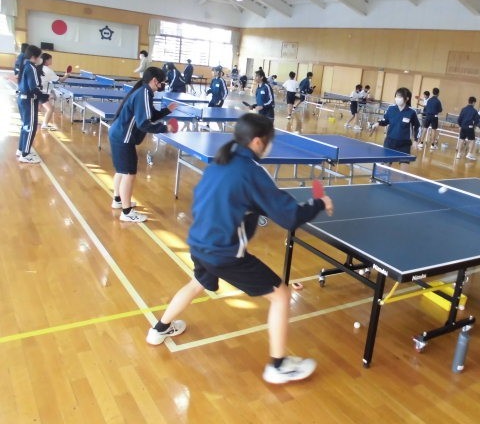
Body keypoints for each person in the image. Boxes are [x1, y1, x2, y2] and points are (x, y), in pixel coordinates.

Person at [145, 113, 334, 384]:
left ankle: (159, 329)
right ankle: (278, 366)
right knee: (281, 295)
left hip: (198, 243)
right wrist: (318, 204)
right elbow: (289, 217)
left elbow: (215, 199)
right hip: (225, 254)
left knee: (197, 283)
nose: (270, 145)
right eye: (269, 140)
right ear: (257, 142)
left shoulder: (219, 161)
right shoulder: (251, 172)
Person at [108, 67, 179, 223]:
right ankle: (127, 212)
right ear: (155, 81)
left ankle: (118, 200)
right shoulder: (144, 93)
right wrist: (165, 128)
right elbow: (144, 124)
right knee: (129, 173)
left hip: (117, 134)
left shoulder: (143, 92)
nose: (163, 85)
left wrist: (166, 111)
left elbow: (150, 114)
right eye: (163, 82)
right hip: (123, 137)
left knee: (121, 171)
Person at [370, 87, 420, 168]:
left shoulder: (411, 112)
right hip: (390, 142)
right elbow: (385, 120)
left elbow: (417, 126)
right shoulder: (391, 109)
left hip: (404, 144)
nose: (397, 99)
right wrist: (378, 123)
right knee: (386, 166)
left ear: (407, 98)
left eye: (400, 97)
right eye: (396, 96)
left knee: (404, 168)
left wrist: (416, 140)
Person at [16, 45, 48, 164]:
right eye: (39, 56)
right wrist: (44, 97)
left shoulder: (24, 65)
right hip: (29, 100)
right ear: (35, 57)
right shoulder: (31, 68)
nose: (40, 59)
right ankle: (25, 155)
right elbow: (33, 88)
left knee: (25, 125)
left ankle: (21, 149)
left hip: (21, 98)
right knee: (30, 127)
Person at [39, 52, 70, 131]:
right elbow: (60, 80)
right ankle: (44, 125)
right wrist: (67, 75)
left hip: (36, 90)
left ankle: (38, 122)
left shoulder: (38, 67)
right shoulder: (48, 70)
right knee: (50, 109)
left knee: (40, 107)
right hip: (42, 92)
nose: (51, 61)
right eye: (50, 59)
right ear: (46, 60)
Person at [455, 96, 480, 161]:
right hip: (470, 127)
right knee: (472, 140)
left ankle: (458, 154)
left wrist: (460, 126)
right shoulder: (474, 111)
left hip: (463, 127)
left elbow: (459, 119)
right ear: (474, 102)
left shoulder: (463, 109)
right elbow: (477, 120)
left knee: (461, 139)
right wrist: (474, 126)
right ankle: (469, 154)